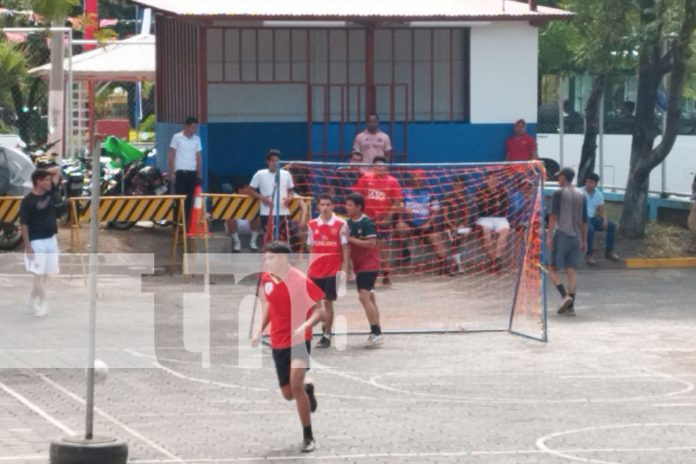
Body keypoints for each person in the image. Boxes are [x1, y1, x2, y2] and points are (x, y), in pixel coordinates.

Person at [251, 241, 325, 453]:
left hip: (300, 339)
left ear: (283, 259)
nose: (266, 261)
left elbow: (321, 311)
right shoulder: (267, 280)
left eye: (271, 258)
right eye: (266, 257)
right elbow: (272, 307)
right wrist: (259, 330)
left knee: (295, 383)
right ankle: (308, 389)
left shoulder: (301, 281)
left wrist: (305, 326)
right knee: (288, 393)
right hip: (279, 340)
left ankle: (308, 437)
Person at [352, 156, 403, 285]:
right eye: (377, 165)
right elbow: (356, 197)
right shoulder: (365, 178)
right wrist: (360, 216)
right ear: (373, 167)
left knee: (384, 246)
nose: (379, 168)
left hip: (383, 220)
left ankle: (386, 274)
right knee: (365, 246)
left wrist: (388, 217)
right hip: (367, 220)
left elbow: (397, 202)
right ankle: (364, 272)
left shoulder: (392, 182)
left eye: (382, 165)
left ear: (386, 167)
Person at [307, 194, 349, 349]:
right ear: (318, 206)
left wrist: (345, 270)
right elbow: (311, 247)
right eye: (322, 204)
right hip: (315, 271)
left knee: (328, 302)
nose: (325, 207)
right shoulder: (311, 225)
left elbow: (345, 248)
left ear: (333, 206)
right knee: (315, 304)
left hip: (333, 270)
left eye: (328, 204)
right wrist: (309, 267)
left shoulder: (341, 224)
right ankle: (317, 328)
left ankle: (327, 334)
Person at [20, 168, 61, 317]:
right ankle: (43, 303)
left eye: (50, 180)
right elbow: (23, 224)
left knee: (44, 275)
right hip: (36, 242)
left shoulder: (50, 192)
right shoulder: (27, 201)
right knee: (38, 275)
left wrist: (41, 171)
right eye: (46, 180)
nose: (50, 182)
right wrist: (28, 246)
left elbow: (57, 171)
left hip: (51, 239)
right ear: (38, 182)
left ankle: (31, 302)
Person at [345, 194, 384, 347]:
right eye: (346, 205)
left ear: (359, 207)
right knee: (370, 298)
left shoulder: (367, 222)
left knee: (363, 297)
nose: (347, 208)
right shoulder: (347, 224)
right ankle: (377, 330)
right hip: (358, 264)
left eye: (350, 205)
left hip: (370, 264)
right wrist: (347, 268)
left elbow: (371, 244)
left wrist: (351, 239)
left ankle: (376, 333)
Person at [548, 167, 588, 317]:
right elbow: (584, 221)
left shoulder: (558, 193)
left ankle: (565, 296)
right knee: (571, 271)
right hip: (576, 236)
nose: (558, 180)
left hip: (562, 234)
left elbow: (553, 216)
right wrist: (584, 240)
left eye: (559, 177)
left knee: (551, 268)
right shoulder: (581, 194)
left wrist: (549, 236)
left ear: (564, 177)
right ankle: (571, 308)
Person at [395, 169, 449, 274]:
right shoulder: (405, 192)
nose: (417, 180)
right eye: (415, 178)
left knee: (436, 237)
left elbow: (435, 212)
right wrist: (404, 211)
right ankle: (404, 252)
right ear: (411, 179)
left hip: (425, 223)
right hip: (409, 222)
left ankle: (444, 265)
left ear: (423, 180)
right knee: (400, 226)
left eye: (419, 178)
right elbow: (399, 207)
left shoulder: (430, 194)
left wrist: (428, 223)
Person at [245, 150, 295, 244]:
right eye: (272, 161)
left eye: (277, 161)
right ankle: (269, 257)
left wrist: (289, 198)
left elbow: (292, 190)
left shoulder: (286, 174)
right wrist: (261, 198)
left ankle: (284, 258)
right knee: (270, 239)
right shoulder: (260, 174)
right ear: (268, 162)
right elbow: (250, 189)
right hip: (267, 212)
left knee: (285, 238)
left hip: (283, 211)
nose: (275, 163)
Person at [474, 171, 511, 273]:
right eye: (490, 179)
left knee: (504, 231)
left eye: (495, 179)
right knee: (486, 231)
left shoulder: (503, 191)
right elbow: (482, 209)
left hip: (500, 217)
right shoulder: (480, 192)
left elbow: (504, 207)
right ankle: (493, 261)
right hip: (484, 218)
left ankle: (497, 259)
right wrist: (493, 203)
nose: (493, 181)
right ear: (486, 180)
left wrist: (492, 203)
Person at [168, 116, 203, 222]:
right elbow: (171, 155)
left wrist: (199, 175)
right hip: (180, 172)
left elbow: (198, 157)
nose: (194, 130)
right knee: (180, 199)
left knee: (189, 200)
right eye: (192, 127)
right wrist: (172, 172)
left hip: (192, 173)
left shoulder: (197, 139)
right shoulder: (177, 137)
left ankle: (186, 223)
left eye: (195, 127)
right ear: (186, 126)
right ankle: (177, 223)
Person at [581, 173, 619, 264]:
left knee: (611, 225)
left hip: (592, 218)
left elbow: (601, 209)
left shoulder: (599, 194)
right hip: (581, 219)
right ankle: (589, 255)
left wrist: (605, 219)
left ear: (596, 184)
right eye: (587, 182)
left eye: (591, 182)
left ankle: (609, 251)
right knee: (590, 229)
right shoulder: (579, 192)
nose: (588, 184)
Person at [442, 175, 472, 274]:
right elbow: (445, 216)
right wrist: (452, 226)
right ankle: (458, 266)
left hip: (461, 227)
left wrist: (463, 224)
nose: (457, 188)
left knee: (457, 237)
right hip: (449, 226)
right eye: (455, 185)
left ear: (463, 187)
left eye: (459, 186)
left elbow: (467, 215)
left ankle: (453, 265)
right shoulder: (448, 197)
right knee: (455, 238)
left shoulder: (466, 198)